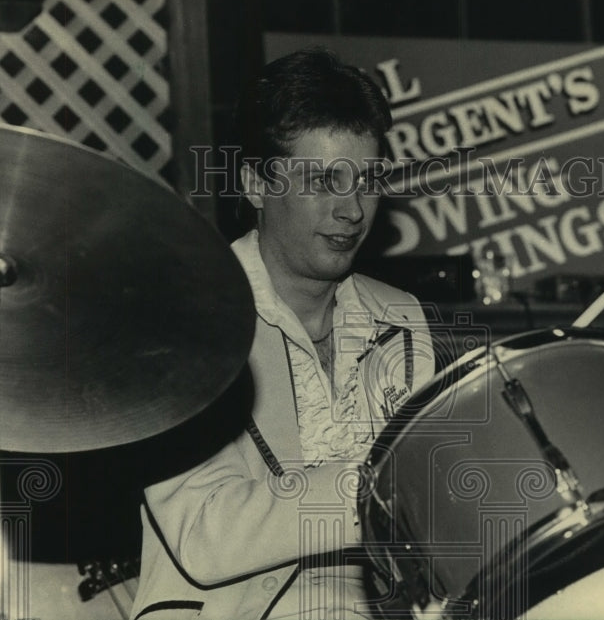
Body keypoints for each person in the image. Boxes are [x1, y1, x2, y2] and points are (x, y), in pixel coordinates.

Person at [130, 48, 435, 620]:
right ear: (255, 183)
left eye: (368, 180)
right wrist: (376, 488)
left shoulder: (401, 317)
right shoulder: (186, 321)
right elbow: (205, 533)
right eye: (325, 181)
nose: (352, 211)